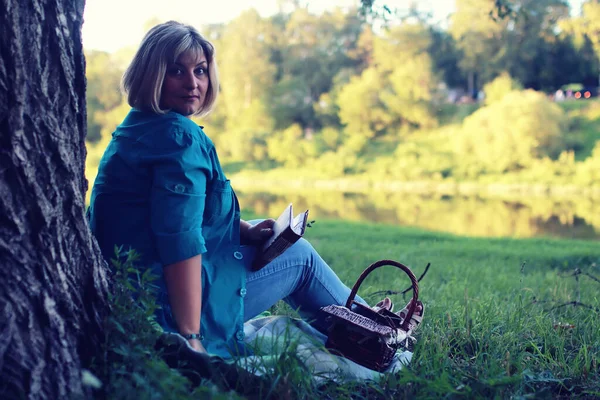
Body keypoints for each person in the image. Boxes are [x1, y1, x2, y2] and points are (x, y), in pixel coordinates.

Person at [88, 21, 422, 360]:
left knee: (281, 245)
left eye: (200, 71)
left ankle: (370, 326)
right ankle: (381, 338)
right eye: (177, 71)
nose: (193, 83)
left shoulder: (134, 127)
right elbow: (179, 240)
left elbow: (162, 213)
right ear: (152, 74)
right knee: (301, 257)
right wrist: (190, 339)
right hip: (167, 308)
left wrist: (244, 230)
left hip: (134, 293)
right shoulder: (179, 136)